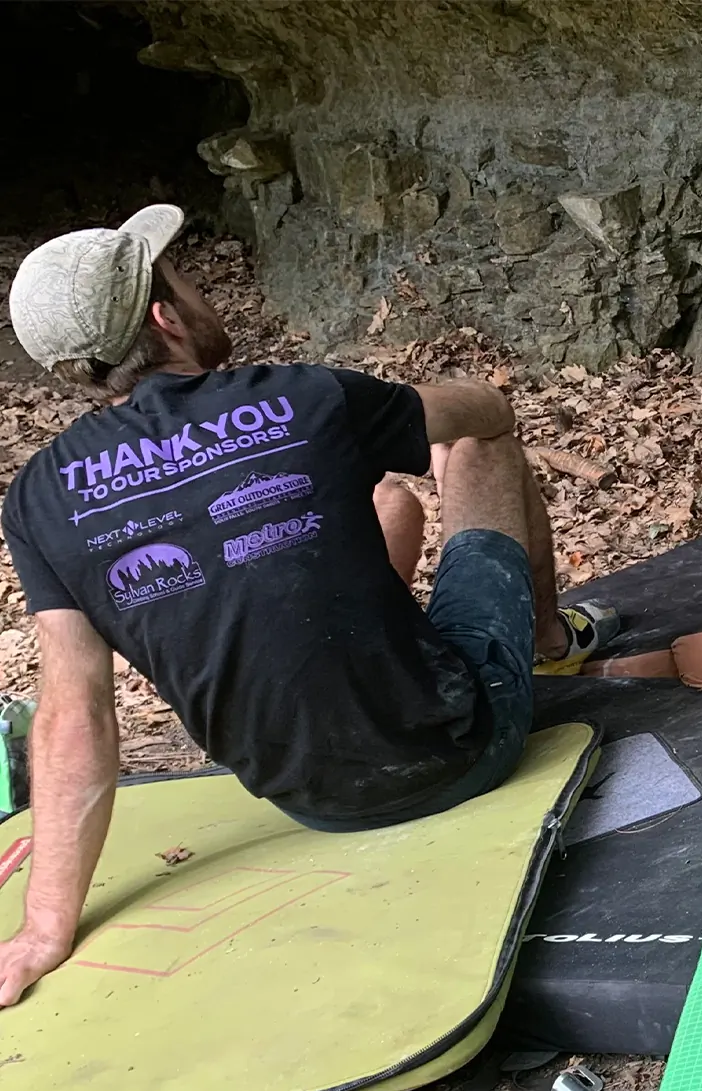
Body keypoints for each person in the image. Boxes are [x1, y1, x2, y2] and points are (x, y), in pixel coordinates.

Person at [0, 205, 619, 1007]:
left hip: (308, 800)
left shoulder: (39, 499)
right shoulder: (302, 395)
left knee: (389, 505)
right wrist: (468, 405)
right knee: (473, 448)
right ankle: (546, 641)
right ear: (165, 318)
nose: (198, 289)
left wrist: (44, 927)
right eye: (183, 278)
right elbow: (483, 415)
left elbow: (74, 711)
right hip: (465, 748)